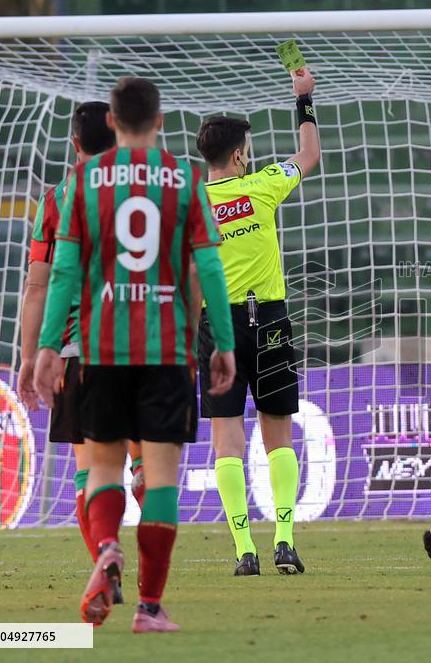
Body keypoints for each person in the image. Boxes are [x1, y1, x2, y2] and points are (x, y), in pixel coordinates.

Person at [34, 77, 236, 632]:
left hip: (100, 349)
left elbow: (63, 273)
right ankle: (149, 607)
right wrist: (222, 342)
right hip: (166, 349)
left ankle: (106, 546)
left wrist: (48, 347)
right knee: (161, 479)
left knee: (101, 467)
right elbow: (209, 267)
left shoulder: (81, 183)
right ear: (161, 120)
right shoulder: (188, 179)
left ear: (112, 122)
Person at [194, 67, 320, 576]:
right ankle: (284, 541)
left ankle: (244, 550)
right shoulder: (263, 186)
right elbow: (308, 155)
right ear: (239, 155)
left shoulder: (192, 205)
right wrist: (303, 99)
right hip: (268, 319)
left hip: (216, 326)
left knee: (226, 440)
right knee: (278, 437)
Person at [17, 103, 146, 594]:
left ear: (74, 144)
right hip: (144, 342)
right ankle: (151, 579)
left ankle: (106, 560)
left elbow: (37, 285)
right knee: (144, 459)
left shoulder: (56, 199)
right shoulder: (150, 189)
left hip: (79, 348)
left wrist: (30, 357)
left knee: (89, 469)